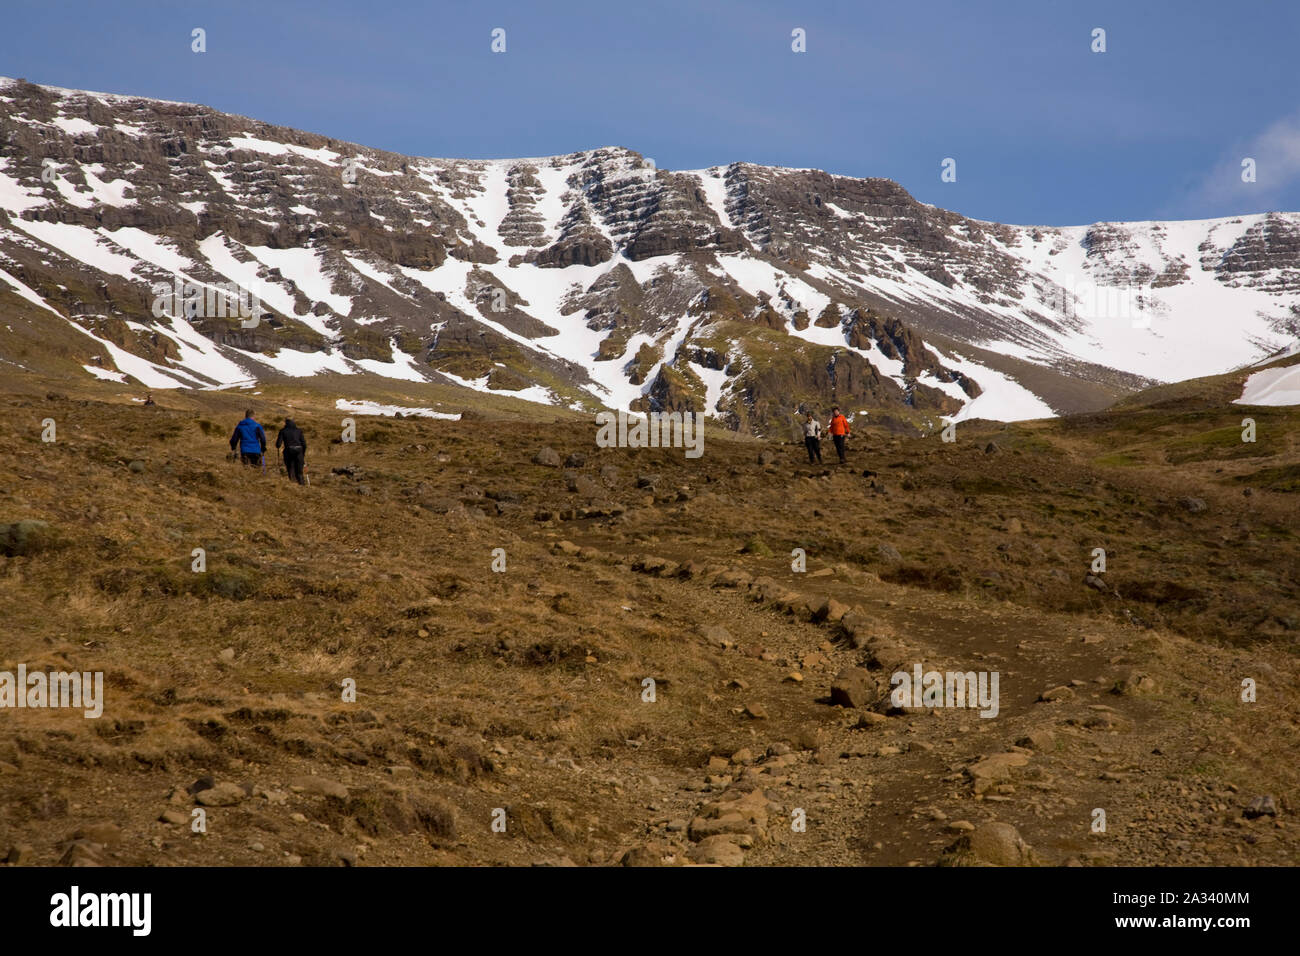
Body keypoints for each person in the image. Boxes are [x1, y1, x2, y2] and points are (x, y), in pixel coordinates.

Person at [276, 417, 308, 485]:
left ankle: (293, 486)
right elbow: (304, 444)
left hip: (288, 452)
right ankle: (302, 486)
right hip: (299, 451)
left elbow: (278, 444)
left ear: (286, 422)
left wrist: (278, 446)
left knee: (291, 470)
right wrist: (303, 453)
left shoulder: (283, 431)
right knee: (299, 472)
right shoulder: (299, 430)